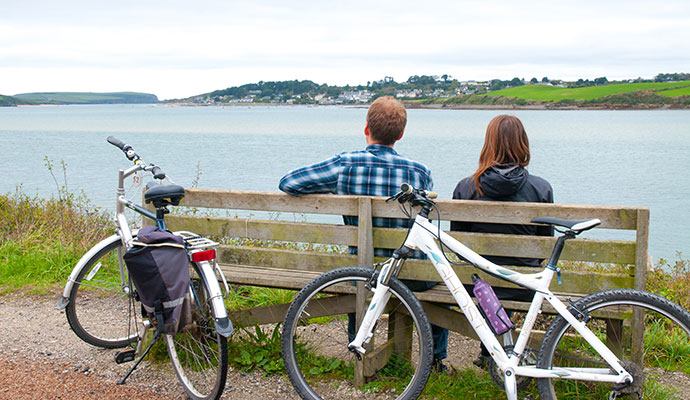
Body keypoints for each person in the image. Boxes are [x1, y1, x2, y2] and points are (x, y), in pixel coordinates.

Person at [279, 96, 449, 371]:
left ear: (366, 128)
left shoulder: (344, 164)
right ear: (401, 134)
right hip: (411, 274)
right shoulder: (420, 171)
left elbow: (288, 183)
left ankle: (357, 349)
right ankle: (436, 359)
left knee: (357, 271)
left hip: (361, 272)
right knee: (433, 274)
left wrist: (332, 189)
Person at [450, 114, 553, 368]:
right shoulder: (541, 189)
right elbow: (545, 245)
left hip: (479, 285)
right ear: (523, 144)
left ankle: (490, 355)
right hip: (525, 285)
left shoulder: (466, 188)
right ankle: (497, 355)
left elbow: (459, 247)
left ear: (488, 144)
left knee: (484, 270)